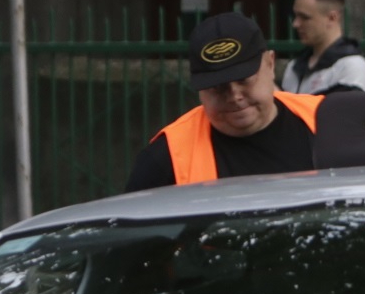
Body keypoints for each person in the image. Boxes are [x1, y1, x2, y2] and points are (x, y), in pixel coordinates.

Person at [125, 13, 324, 191]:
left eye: (244, 80)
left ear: (270, 64)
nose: (234, 96)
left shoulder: (326, 121)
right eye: (217, 87)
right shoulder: (169, 157)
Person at [280, 0, 365, 95]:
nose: (296, 24)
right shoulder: (294, 67)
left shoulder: (351, 66)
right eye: (296, 16)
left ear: (332, 18)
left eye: (305, 17)